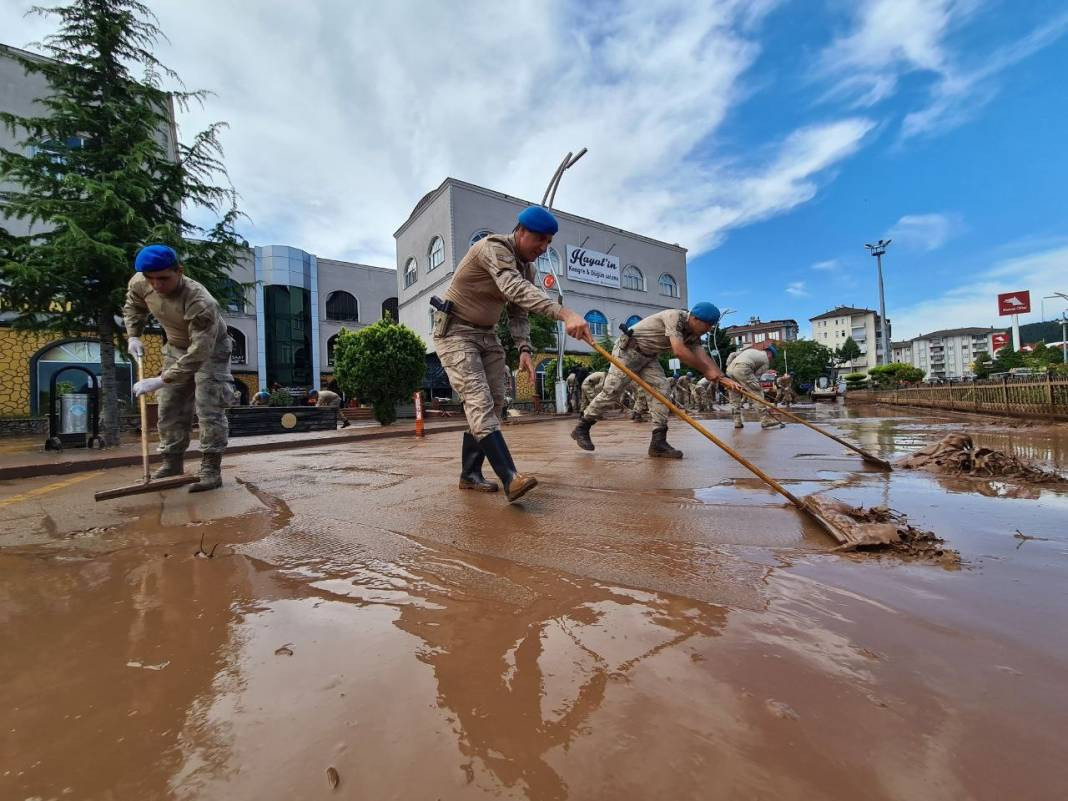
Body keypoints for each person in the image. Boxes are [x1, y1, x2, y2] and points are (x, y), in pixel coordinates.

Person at [433, 205, 592, 502]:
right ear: (520, 232)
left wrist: (524, 349)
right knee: (479, 401)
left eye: (548, 243)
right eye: (539, 240)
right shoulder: (492, 248)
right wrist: (564, 312)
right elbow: (514, 289)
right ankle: (510, 478)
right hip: (455, 332)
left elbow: (518, 312)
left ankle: (469, 474)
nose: (543, 248)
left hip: (487, 333)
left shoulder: (527, 268)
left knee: (494, 403)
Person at [124, 244, 232, 492]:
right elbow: (134, 306)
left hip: (211, 349)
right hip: (175, 347)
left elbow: (200, 351)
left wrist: (162, 379)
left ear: (179, 271)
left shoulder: (200, 301)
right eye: (151, 279)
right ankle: (172, 463)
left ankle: (210, 469)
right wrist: (133, 335)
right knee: (169, 405)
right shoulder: (140, 282)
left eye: (163, 278)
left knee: (209, 406)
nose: (156, 285)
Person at [571, 303, 738, 458]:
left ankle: (658, 442)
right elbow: (679, 351)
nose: (709, 329)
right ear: (695, 318)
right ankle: (582, 427)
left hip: (648, 357)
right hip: (628, 351)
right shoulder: (675, 317)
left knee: (662, 390)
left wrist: (723, 378)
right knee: (612, 392)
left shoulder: (693, 334)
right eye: (707, 324)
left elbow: (703, 356)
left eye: (712, 326)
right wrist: (706, 371)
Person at [726, 341, 784, 430]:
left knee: (735, 397)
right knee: (758, 393)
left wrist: (728, 366)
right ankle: (765, 420)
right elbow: (756, 377)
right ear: (770, 354)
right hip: (743, 369)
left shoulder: (752, 351)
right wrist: (751, 388)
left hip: (730, 370)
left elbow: (732, 354)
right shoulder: (765, 361)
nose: (771, 360)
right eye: (772, 358)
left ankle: (737, 422)